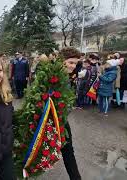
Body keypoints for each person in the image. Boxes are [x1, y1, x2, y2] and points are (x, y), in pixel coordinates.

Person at [59, 47, 82, 180]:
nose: (73, 66)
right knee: (38, 153)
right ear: (62, 61)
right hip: (48, 121)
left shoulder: (67, 78)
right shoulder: (52, 77)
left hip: (62, 121)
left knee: (68, 151)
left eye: (75, 63)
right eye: (71, 62)